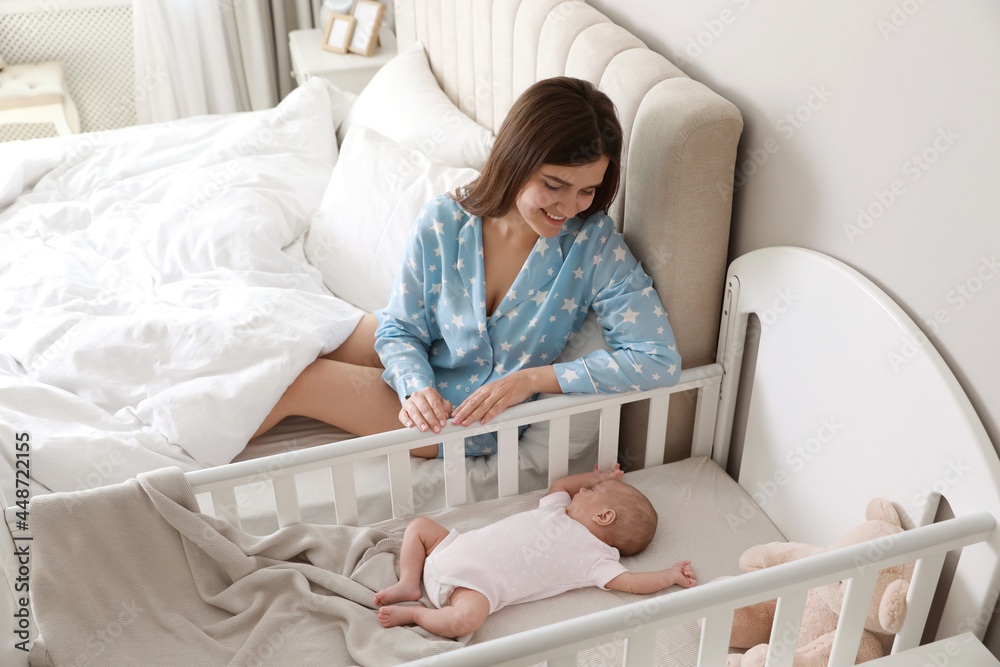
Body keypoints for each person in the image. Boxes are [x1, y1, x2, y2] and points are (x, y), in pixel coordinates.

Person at [252, 76, 681, 457]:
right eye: (554, 185)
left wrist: (533, 380)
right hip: (421, 366)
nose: (569, 208)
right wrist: (414, 385)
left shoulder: (594, 245)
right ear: (517, 158)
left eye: (588, 191)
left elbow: (658, 360)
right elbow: (401, 329)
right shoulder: (446, 219)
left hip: (460, 418)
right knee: (279, 348)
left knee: (299, 381)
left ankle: (191, 492)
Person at [373, 464, 697, 638]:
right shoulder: (559, 509)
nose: (581, 490)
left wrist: (668, 576)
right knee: (418, 526)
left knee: (469, 619)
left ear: (604, 516)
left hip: (473, 586)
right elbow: (560, 484)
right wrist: (597, 476)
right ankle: (409, 583)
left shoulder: (597, 559)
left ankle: (417, 613)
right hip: (452, 546)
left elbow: (631, 582)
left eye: (592, 490)